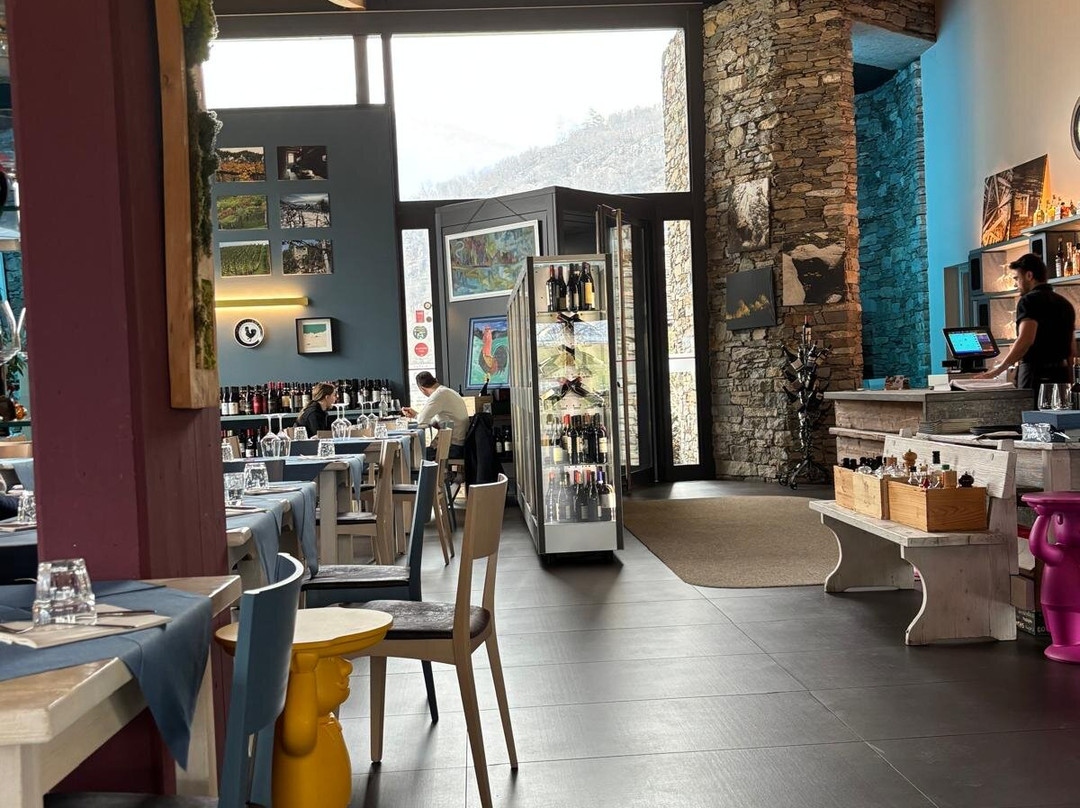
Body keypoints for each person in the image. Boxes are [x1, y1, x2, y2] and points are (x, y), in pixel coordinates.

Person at [976, 253, 1076, 403]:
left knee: (1031, 415)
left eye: (1017, 278)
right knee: (1060, 415)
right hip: (1062, 375)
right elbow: (1072, 348)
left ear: (1029, 275)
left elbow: (1026, 339)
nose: (1016, 284)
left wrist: (997, 371)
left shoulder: (1028, 301)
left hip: (1035, 374)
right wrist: (1071, 379)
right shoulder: (1065, 303)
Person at [403, 371, 468, 459]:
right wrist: (415, 415)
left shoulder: (438, 395)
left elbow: (421, 421)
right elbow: (433, 421)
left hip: (452, 448)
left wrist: (418, 418)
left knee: (412, 456)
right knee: (416, 455)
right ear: (435, 380)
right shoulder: (448, 392)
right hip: (461, 445)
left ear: (422, 389)